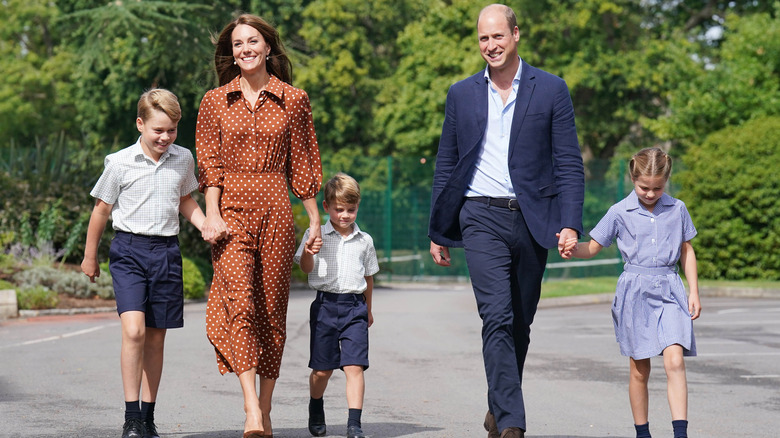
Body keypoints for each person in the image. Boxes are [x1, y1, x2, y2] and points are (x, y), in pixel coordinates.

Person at [428, 4, 585, 438]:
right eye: (483, 39)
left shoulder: (551, 89)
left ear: (516, 35)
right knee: (495, 316)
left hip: (534, 220)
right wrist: (438, 229)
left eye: (498, 36)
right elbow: (447, 163)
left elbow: (569, 163)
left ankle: (499, 406)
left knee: (519, 321)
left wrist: (570, 223)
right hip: (478, 215)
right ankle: (513, 424)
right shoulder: (461, 94)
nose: (490, 46)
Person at [195, 13, 323, 438]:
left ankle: (265, 408)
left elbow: (303, 164)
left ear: (268, 47)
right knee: (241, 305)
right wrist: (211, 214)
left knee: (272, 310)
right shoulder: (215, 100)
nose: (245, 49)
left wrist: (315, 219)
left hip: (276, 209)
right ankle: (250, 407)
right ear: (230, 53)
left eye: (252, 41)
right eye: (237, 44)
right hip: (230, 210)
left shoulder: (294, 99)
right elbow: (209, 166)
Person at [81, 88, 207, 438]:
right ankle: (131, 417)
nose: (165, 137)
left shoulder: (183, 159)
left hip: (166, 252)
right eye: (158, 130)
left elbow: (186, 199)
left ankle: (148, 418)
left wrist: (206, 223)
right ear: (140, 124)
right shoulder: (119, 162)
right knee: (134, 330)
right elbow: (101, 210)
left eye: (171, 130)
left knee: (155, 338)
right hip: (129, 252)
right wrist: (90, 256)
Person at [560, 147, 701, 438]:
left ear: (667, 181)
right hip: (634, 292)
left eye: (657, 188)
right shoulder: (619, 212)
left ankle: (680, 433)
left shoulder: (678, 209)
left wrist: (694, 291)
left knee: (674, 359)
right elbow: (593, 247)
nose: (650, 193)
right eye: (644, 187)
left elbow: (687, 250)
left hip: (670, 289)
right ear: (632, 179)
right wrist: (573, 249)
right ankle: (642, 432)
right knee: (640, 369)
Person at [293, 173, 379, 438]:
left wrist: (369, 309)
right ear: (326, 207)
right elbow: (306, 269)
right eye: (339, 209)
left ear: (357, 207)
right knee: (322, 370)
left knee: (354, 366)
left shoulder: (364, 241)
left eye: (351, 210)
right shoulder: (315, 234)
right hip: (325, 307)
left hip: (355, 307)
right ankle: (316, 406)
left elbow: (368, 277)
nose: (345, 215)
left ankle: (354, 424)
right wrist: (309, 251)